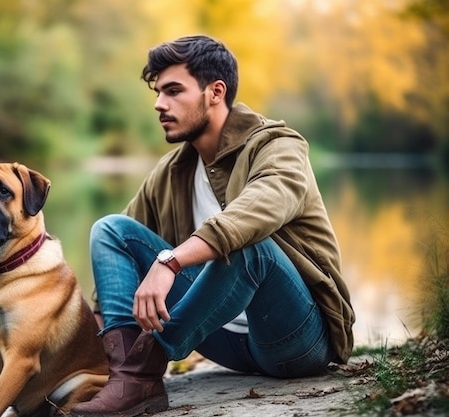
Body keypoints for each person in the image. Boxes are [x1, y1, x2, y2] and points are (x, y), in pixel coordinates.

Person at [70, 35, 355, 417]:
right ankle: (126, 375)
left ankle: (140, 373)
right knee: (110, 229)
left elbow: (257, 212)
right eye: (158, 93)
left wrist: (169, 261)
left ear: (215, 92)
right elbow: (119, 255)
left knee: (252, 247)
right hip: (219, 337)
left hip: (295, 338)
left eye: (173, 91)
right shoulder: (172, 171)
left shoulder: (278, 146)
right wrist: (92, 346)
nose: (159, 104)